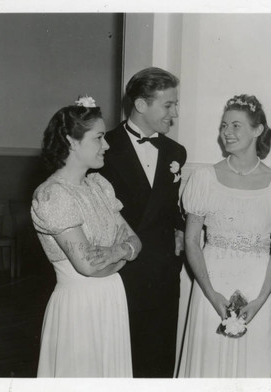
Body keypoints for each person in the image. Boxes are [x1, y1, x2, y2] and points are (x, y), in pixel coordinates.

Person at [178, 94, 271, 377]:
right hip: (211, 283)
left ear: (258, 130)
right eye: (224, 125)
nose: (226, 132)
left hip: (257, 287)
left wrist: (261, 299)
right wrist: (211, 293)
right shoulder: (204, 178)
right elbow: (192, 241)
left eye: (236, 126)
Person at [31, 96, 142, 377]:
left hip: (112, 297)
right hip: (79, 305)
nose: (106, 145)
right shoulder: (53, 195)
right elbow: (89, 267)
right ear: (71, 141)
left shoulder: (98, 185)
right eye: (99, 137)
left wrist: (115, 252)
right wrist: (124, 252)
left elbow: (136, 241)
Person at [100, 67, 187, 378]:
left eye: (175, 104)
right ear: (140, 105)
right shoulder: (102, 148)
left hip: (163, 272)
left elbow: (169, 206)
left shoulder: (176, 152)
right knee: (121, 358)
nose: (174, 113)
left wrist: (179, 235)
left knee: (159, 358)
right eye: (168, 105)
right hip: (122, 271)